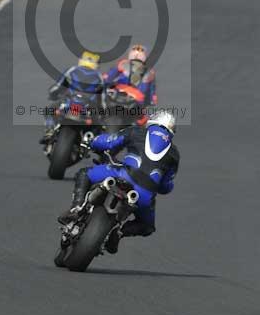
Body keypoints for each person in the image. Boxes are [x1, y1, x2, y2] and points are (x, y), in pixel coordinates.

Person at [59, 110, 180, 254]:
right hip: (144, 195)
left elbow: (109, 142)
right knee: (147, 226)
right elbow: (166, 187)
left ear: (153, 121)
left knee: (84, 174)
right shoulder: (174, 154)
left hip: (123, 174)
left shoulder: (136, 131)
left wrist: (91, 142)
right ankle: (120, 232)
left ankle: (76, 209)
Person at [42, 51, 104, 144]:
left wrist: (52, 94)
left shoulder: (72, 70)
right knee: (99, 124)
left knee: (49, 110)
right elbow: (102, 98)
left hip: (70, 101)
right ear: (96, 64)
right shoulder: (99, 77)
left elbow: (57, 87)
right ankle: (89, 140)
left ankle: (49, 131)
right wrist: (102, 111)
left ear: (81, 60)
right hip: (88, 107)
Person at [104, 43, 157, 107]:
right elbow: (110, 76)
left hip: (133, 98)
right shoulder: (123, 64)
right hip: (123, 94)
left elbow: (109, 77)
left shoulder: (149, 72)